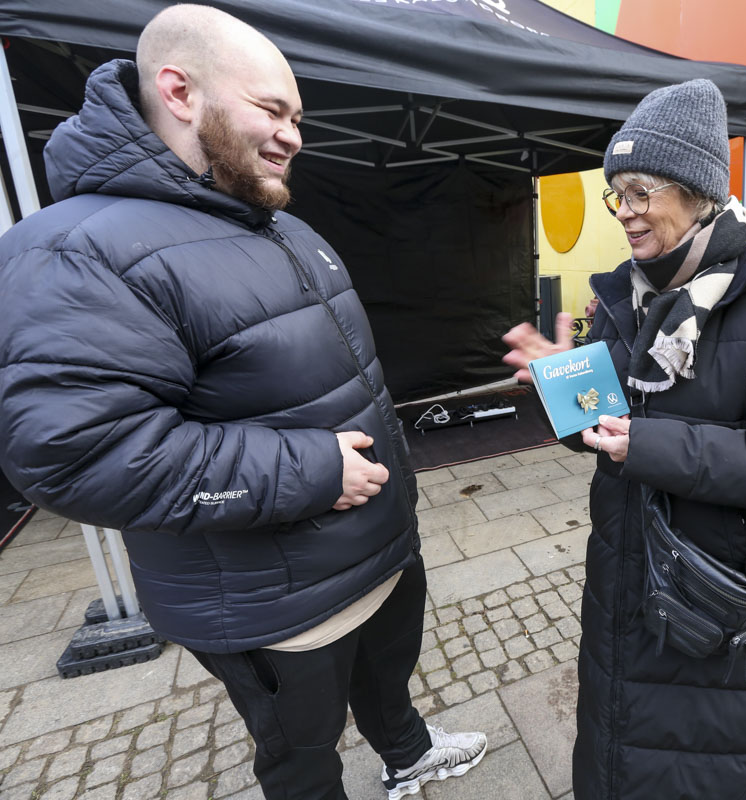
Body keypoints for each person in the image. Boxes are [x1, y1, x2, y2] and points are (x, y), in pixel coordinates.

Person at [0, 5, 485, 799]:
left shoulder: (277, 225)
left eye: (297, 116)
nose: (294, 133)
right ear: (179, 90)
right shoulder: (74, 251)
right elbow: (74, 456)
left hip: (377, 556)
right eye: (272, 109)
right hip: (275, 607)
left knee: (388, 683)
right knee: (301, 754)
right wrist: (309, 471)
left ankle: (408, 753)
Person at [503, 79, 746, 799]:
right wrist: (560, 389)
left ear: (695, 192)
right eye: (615, 193)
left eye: (640, 191)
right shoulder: (628, 299)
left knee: (697, 769)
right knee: (614, 758)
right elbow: (608, 429)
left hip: (712, 611)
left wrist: (647, 446)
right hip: (624, 592)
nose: (623, 212)